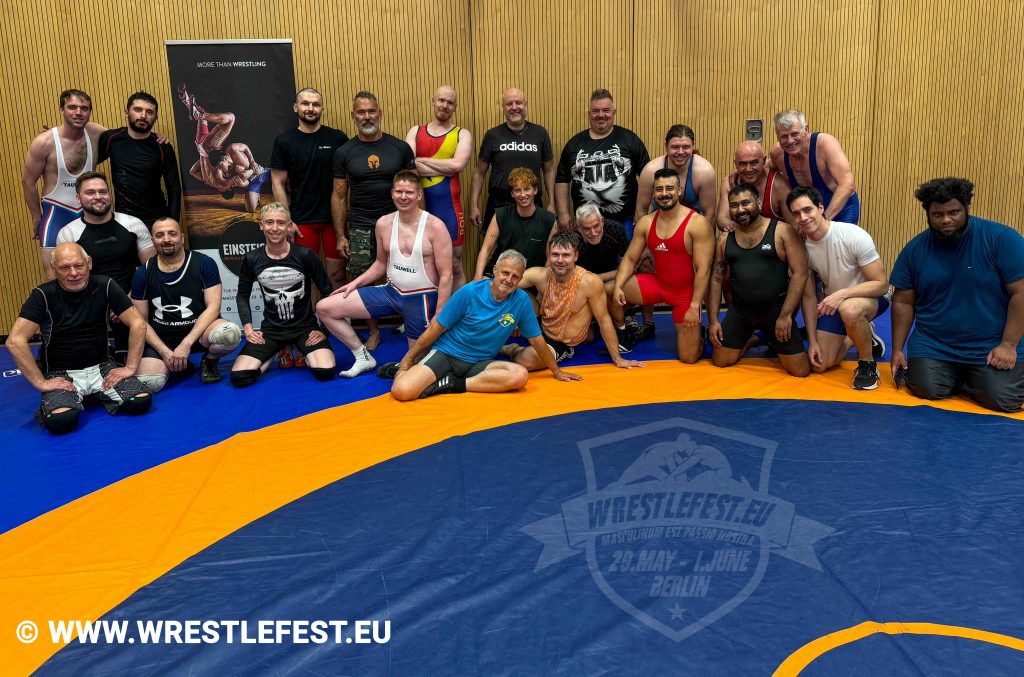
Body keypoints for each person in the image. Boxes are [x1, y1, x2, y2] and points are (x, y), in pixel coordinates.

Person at [890, 177, 1024, 412]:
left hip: (991, 343)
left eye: (954, 212)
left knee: (1002, 399)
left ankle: (976, 377)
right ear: (928, 214)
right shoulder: (914, 250)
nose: (946, 220)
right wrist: (898, 349)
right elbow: (902, 301)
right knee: (925, 388)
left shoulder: (1002, 239)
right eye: (938, 214)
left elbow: (1021, 293)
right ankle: (970, 377)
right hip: (935, 344)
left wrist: (1008, 344)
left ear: (966, 208)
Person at [385, 250, 583, 400]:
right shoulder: (470, 292)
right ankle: (401, 370)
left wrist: (556, 371)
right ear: (495, 270)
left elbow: (537, 341)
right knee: (402, 391)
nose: (509, 280)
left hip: (479, 363)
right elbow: (436, 329)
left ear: (521, 279)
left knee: (519, 376)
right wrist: (407, 359)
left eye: (515, 276)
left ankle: (453, 384)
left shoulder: (521, 301)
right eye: (505, 273)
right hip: (447, 354)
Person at [317, 171, 453, 377]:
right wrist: (354, 284)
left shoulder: (435, 226)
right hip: (391, 292)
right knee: (325, 308)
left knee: (414, 368)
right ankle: (363, 356)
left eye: (409, 192)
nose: (403, 197)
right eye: (399, 191)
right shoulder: (383, 223)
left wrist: (440, 313)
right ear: (392, 194)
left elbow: (446, 275)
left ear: (419, 195)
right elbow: (380, 264)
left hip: (421, 300)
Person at [6, 243, 151, 434]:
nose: (73, 273)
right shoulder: (43, 295)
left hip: (102, 367)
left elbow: (138, 324)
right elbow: (15, 341)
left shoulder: (105, 285)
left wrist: (130, 367)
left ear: (89, 263)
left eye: (78, 265)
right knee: (61, 421)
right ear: (54, 269)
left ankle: (93, 394)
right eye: (65, 268)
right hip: (61, 373)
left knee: (140, 402)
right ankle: (83, 398)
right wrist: (41, 383)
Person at [332, 91, 416, 349]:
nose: (367, 116)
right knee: (362, 280)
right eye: (361, 112)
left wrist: (418, 226)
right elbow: (339, 196)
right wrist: (340, 235)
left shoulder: (400, 148)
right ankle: (374, 332)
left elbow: (414, 188)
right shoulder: (344, 152)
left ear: (380, 113)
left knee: (407, 274)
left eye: (371, 111)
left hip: (398, 223)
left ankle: (412, 324)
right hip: (361, 225)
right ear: (353, 116)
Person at [789, 186, 890, 389]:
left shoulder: (852, 235)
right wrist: (813, 341)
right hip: (835, 304)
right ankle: (860, 334)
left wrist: (842, 294)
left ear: (820, 208)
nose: (803, 217)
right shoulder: (802, 249)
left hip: (872, 297)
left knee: (849, 309)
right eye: (796, 214)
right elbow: (808, 298)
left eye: (807, 210)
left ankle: (867, 364)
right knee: (819, 364)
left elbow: (882, 285)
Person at [610, 168, 715, 361]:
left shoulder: (697, 223)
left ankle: (699, 333)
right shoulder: (646, 223)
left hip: (685, 294)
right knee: (609, 290)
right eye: (659, 189)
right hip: (658, 285)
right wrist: (618, 286)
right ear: (653, 193)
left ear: (679, 191)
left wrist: (694, 306)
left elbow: (703, 270)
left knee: (689, 358)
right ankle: (622, 334)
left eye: (669, 188)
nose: (664, 194)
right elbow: (630, 259)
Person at [707, 184, 810, 377]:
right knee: (720, 361)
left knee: (800, 371)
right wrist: (713, 320)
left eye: (746, 203)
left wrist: (786, 316)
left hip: (776, 311)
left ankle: (765, 337)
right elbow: (716, 278)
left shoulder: (783, 232)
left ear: (759, 203)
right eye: (734, 205)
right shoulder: (724, 239)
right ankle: (754, 339)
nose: (740, 210)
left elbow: (800, 273)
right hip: (741, 311)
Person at [502, 232, 645, 370]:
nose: (560, 260)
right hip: (540, 326)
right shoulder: (539, 274)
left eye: (566, 255)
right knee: (511, 287)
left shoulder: (590, 282)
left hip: (561, 342)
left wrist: (618, 359)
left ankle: (509, 348)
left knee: (526, 360)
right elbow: (501, 285)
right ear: (549, 255)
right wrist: (511, 316)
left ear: (576, 256)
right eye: (555, 254)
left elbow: (604, 320)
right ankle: (498, 337)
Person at [230, 203, 336, 386]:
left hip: (305, 328)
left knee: (325, 372)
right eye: (269, 222)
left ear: (289, 226)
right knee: (240, 377)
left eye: (280, 223)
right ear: (261, 225)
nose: (275, 228)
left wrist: (323, 329)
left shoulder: (305, 255)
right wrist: (248, 329)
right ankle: (274, 352)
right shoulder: (252, 258)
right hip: (271, 331)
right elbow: (242, 296)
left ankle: (301, 349)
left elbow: (328, 292)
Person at [130, 218, 242, 390]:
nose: (166, 239)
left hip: (198, 333)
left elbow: (214, 307)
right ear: (153, 240)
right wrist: (164, 352)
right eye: (160, 235)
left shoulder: (204, 263)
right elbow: (140, 321)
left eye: (172, 234)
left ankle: (209, 360)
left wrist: (186, 344)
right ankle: (179, 366)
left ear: (181, 238)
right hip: (162, 338)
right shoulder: (142, 273)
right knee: (151, 383)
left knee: (230, 334)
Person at [56, 171, 156, 361]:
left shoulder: (133, 224)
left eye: (103, 191)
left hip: (134, 298)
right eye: (90, 192)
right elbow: (70, 279)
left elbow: (151, 270)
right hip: (93, 302)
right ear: (78, 198)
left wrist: (126, 302)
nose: (98, 197)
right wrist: (105, 306)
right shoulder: (69, 234)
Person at [271, 87, 350, 287]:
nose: (310, 108)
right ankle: (313, 310)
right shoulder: (284, 141)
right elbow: (278, 182)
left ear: (322, 108)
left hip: (335, 221)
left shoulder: (337, 138)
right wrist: (286, 220)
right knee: (308, 279)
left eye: (316, 104)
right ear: (295, 107)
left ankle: (335, 309)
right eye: (305, 103)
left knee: (337, 277)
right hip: (302, 221)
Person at [22, 89, 96, 279]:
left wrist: (158, 137)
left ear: (90, 111)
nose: (78, 112)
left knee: (94, 271)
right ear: (61, 110)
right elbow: (28, 181)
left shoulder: (95, 134)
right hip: (56, 214)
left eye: (84, 108)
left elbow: (127, 136)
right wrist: (36, 217)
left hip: (88, 214)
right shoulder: (44, 142)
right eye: (72, 107)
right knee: (55, 276)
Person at [555, 89, 650, 235]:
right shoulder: (574, 144)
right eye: (595, 111)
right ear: (589, 114)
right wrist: (563, 213)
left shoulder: (629, 139)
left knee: (626, 251)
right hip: (586, 224)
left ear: (614, 112)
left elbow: (647, 175)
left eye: (606, 110)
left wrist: (641, 212)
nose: (601, 115)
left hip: (625, 221)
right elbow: (562, 179)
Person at [406, 85, 473, 290]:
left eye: (450, 102)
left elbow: (457, 165)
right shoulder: (416, 131)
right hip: (420, 209)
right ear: (433, 101)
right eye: (441, 100)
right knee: (424, 263)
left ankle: (459, 309)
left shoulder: (462, 134)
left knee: (455, 265)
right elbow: (409, 166)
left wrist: (422, 161)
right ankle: (430, 308)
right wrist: (445, 167)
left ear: (455, 107)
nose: (444, 105)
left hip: (449, 209)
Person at [470, 87, 555, 232]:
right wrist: (473, 205)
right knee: (493, 247)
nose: (514, 107)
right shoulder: (492, 135)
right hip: (498, 207)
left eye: (518, 103)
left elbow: (549, 170)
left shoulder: (540, 133)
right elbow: (479, 172)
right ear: (503, 107)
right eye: (509, 104)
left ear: (525, 105)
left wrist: (552, 202)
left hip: (532, 207)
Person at [97, 91, 181, 230]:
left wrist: (172, 224)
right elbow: (87, 161)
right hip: (124, 221)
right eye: (137, 110)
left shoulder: (163, 146)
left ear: (155, 117)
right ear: (127, 112)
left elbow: (174, 189)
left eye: (149, 112)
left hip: (156, 221)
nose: (143, 115)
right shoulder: (111, 139)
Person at [769, 109, 860, 223]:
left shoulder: (824, 144)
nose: (790, 141)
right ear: (777, 137)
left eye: (795, 134)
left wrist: (823, 221)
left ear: (806, 129)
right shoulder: (778, 154)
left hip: (841, 210)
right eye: (784, 136)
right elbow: (764, 168)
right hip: (808, 215)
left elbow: (848, 184)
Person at [474, 167, 557, 278]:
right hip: (501, 273)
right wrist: (477, 279)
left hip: (531, 277)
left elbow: (550, 259)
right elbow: (486, 249)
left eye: (527, 189)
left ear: (535, 190)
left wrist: (543, 283)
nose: (523, 195)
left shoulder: (549, 220)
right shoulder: (501, 215)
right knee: (482, 285)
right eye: (517, 190)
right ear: (512, 193)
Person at [636, 124, 718, 226]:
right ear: (666, 147)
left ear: (693, 146)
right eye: (675, 147)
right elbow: (641, 210)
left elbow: (710, 214)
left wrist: (704, 236)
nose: (680, 152)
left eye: (686, 147)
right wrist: (643, 235)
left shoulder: (705, 171)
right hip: (660, 228)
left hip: (694, 230)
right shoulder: (650, 171)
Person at [718, 141, 791, 232]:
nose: (748, 169)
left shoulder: (779, 184)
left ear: (764, 161)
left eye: (754, 163)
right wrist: (730, 227)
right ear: (736, 164)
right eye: (743, 164)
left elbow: (793, 227)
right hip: (741, 237)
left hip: (775, 239)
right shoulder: (730, 182)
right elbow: (722, 219)